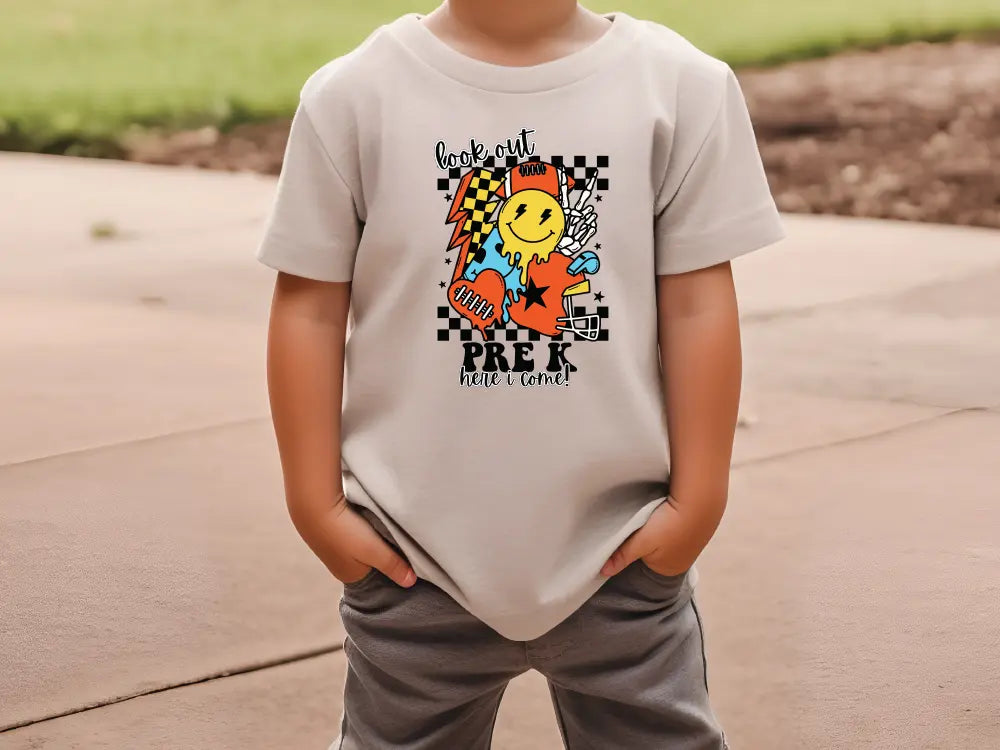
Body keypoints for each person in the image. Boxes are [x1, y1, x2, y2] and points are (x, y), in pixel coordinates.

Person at [257, 0, 785, 747]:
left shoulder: (679, 89)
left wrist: (698, 502)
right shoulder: (352, 97)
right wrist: (315, 507)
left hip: (622, 553)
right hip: (412, 561)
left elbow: (699, 305)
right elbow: (308, 310)